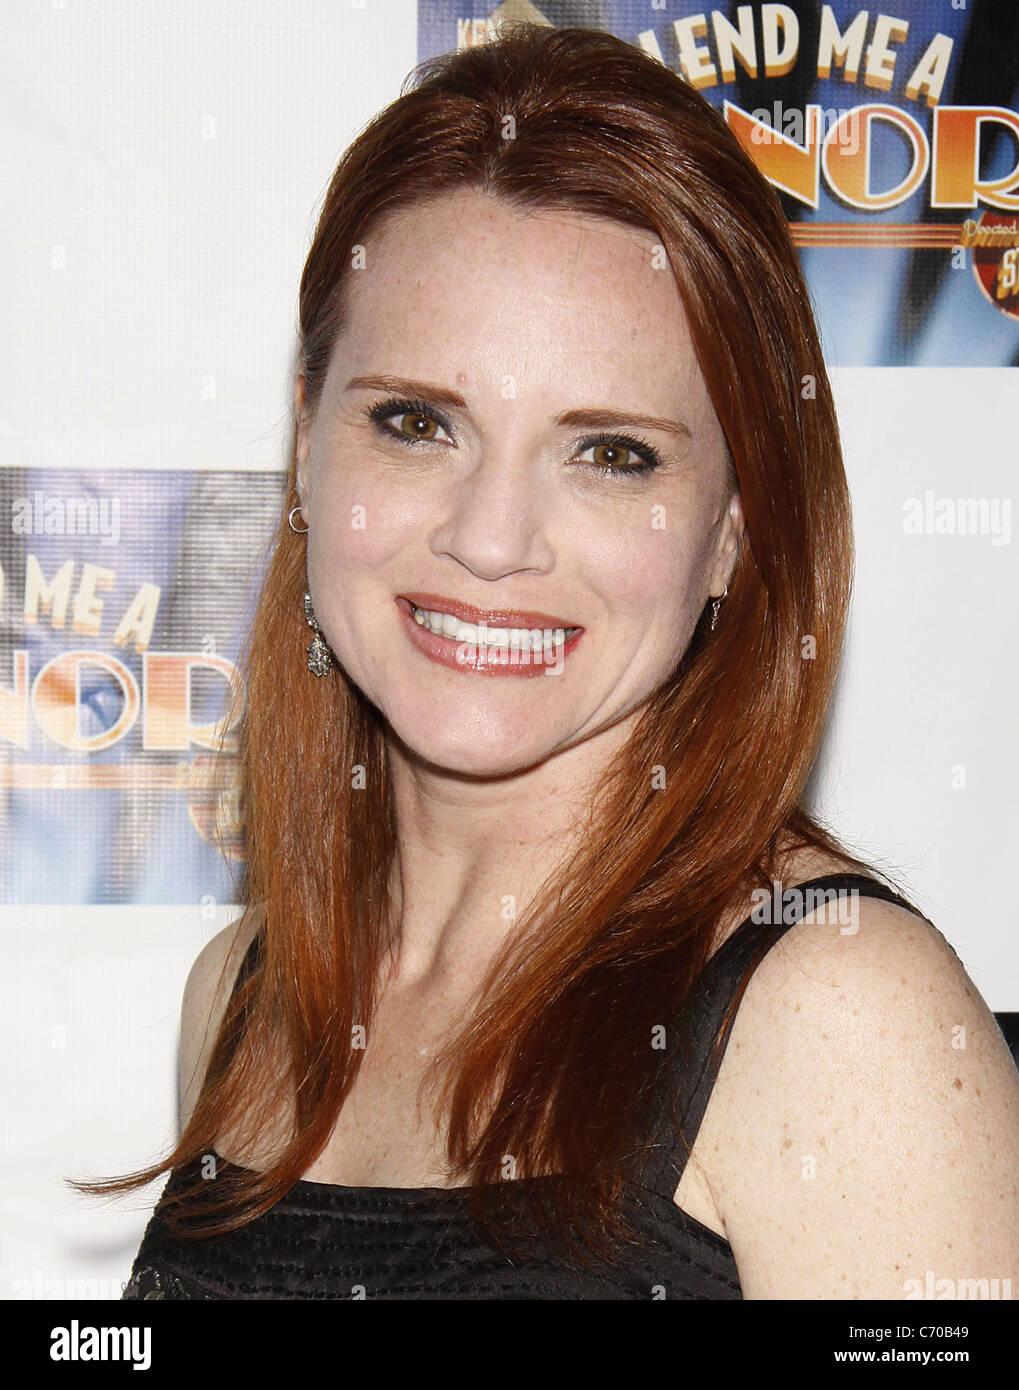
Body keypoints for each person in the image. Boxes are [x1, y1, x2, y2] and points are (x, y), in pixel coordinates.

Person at [77, 23, 1018, 1300]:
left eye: (609, 453)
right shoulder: (244, 998)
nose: (488, 538)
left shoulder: (839, 1018)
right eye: (416, 422)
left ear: (733, 530)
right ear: (306, 442)